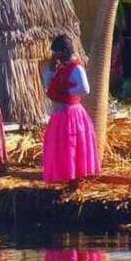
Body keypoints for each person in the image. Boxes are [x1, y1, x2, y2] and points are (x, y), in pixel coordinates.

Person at [42, 35, 100, 185]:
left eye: (57, 52)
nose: (56, 56)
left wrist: (67, 92)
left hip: (72, 113)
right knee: (60, 146)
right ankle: (65, 175)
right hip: (59, 114)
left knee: (72, 144)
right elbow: (48, 83)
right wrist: (50, 68)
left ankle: (76, 178)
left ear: (64, 51)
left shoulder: (76, 68)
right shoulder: (61, 69)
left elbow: (85, 89)